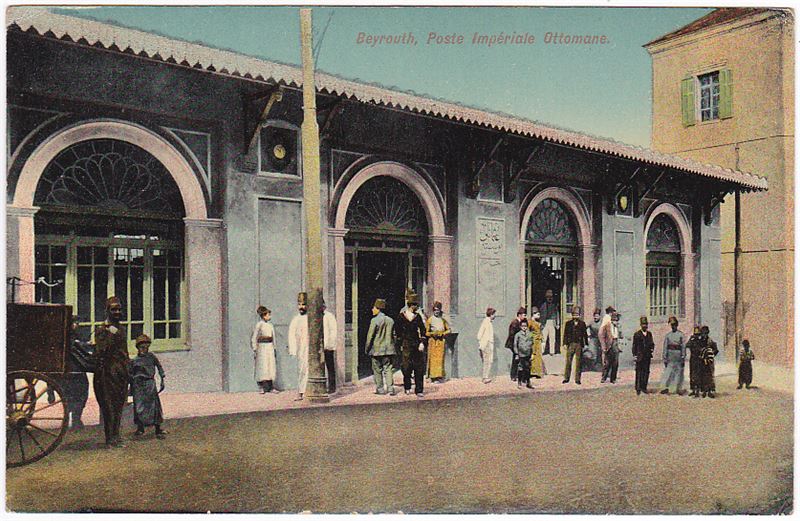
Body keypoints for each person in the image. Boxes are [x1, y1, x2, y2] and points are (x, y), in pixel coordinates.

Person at [93, 296, 130, 448]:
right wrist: (109, 334)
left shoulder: (122, 329)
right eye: (113, 309)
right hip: (107, 373)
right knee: (108, 407)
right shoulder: (102, 330)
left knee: (119, 405)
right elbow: (101, 350)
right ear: (107, 311)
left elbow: (124, 351)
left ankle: (116, 436)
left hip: (121, 372)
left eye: (119, 309)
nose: (117, 312)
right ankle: (109, 438)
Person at [129, 334, 167, 439]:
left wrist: (162, 379)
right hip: (138, 385)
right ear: (138, 347)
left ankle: (158, 428)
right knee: (139, 407)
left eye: (146, 347)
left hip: (150, 383)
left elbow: (159, 367)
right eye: (142, 347)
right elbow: (130, 374)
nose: (144, 349)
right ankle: (140, 428)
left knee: (154, 406)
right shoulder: (134, 361)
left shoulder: (151, 357)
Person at [396, 292, 427, 397]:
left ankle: (419, 390)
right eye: (415, 305)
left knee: (419, 367)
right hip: (406, 345)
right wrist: (400, 344)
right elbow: (398, 331)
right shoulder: (401, 317)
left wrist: (422, 342)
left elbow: (423, 330)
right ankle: (407, 387)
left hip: (416, 344)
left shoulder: (417, 317)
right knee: (406, 367)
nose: (416, 307)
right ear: (411, 305)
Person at [365, 298, 396, 396]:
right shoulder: (390, 320)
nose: (372, 310)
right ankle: (391, 389)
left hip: (377, 349)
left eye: (374, 308)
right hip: (389, 349)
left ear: (378, 308)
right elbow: (394, 335)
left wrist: (367, 348)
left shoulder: (374, 320)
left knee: (377, 370)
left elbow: (370, 336)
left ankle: (380, 389)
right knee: (388, 369)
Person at [288, 292, 310, 401]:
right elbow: (291, 335)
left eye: (304, 304)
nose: (301, 307)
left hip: (311, 348)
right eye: (300, 304)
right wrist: (293, 350)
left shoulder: (311, 318)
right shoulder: (295, 320)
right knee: (302, 369)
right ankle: (302, 392)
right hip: (301, 348)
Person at [251, 306, 278, 394]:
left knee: (270, 366)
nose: (269, 316)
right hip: (262, 348)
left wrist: (274, 348)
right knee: (262, 366)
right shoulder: (259, 324)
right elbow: (254, 337)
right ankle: (261, 387)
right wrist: (255, 348)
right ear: (263, 316)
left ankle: (270, 387)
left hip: (269, 347)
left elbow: (273, 337)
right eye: (268, 315)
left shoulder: (270, 325)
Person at [660, 316, 686, 395]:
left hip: (678, 355)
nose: (673, 326)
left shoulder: (681, 335)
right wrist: (664, 357)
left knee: (678, 372)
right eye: (672, 325)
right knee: (668, 372)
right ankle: (665, 388)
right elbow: (665, 347)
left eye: (674, 325)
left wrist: (683, 357)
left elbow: (683, 346)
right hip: (670, 355)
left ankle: (677, 388)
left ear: (677, 325)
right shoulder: (668, 335)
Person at [425, 301, 450, 384]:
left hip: (441, 342)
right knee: (433, 359)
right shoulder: (430, 320)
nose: (436, 311)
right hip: (433, 342)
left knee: (440, 359)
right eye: (435, 310)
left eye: (438, 310)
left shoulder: (443, 320)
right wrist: (433, 334)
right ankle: (433, 377)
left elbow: (449, 330)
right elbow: (426, 332)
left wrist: (443, 333)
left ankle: (439, 376)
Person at [562, 306, 588, 385]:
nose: (575, 316)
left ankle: (577, 379)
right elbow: (565, 334)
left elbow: (585, 335)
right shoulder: (568, 324)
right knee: (568, 361)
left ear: (579, 315)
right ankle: (566, 378)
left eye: (577, 314)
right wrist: (565, 343)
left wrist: (586, 344)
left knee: (578, 362)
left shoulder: (582, 324)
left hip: (579, 344)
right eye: (574, 314)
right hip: (571, 344)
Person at [631, 316, 655, 395]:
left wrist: (651, 349)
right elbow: (634, 346)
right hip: (639, 356)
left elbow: (652, 344)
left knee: (646, 371)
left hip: (647, 356)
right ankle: (638, 388)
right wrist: (635, 355)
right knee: (639, 372)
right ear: (641, 325)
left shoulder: (649, 334)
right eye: (643, 324)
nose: (644, 326)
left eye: (646, 324)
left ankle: (644, 387)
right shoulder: (637, 334)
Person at [505, 307, 527, 381]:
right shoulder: (515, 323)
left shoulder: (520, 322)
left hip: (517, 344)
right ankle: (513, 376)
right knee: (516, 359)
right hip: (513, 344)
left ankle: (516, 375)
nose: (525, 316)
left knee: (518, 359)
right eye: (524, 315)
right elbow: (512, 335)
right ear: (519, 315)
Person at [599, 309, 621, 383]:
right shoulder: (607, 326)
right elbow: (602, 336)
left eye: (617, 320)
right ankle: (604, 377)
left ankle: (613, 378)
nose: (615, 322)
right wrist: (604, 346)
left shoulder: (618, 327)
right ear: (611, 320)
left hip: (615, 344)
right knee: (607, 363)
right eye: (614, 320)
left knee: (615, 363)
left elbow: (620, 336)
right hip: (608, 345)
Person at [322, 301, 338, 394]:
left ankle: (332, 387)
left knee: (330, 367)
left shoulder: (329, 316)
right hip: (319, 347)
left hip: (328, 346)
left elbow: (333, 331)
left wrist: (330, 345)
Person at [513, 319, 535, 389]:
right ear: (520, 327)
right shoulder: (518, 335)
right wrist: (516, 354)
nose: (524, 327)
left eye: (525, 326)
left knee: (528, 368)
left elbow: (532, 344)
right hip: (521, 354)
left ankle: (528, 382)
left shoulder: (530, 334)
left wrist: (532, 354)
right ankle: (519, 383)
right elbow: (515, 345)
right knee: (520, 368)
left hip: (528, 354)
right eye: (522, 326)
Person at [477, 307, 496, 384]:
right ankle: (485, 377)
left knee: (489, 361)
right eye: (494, 314)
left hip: (488, 344)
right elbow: (479, 335)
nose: (495, 316)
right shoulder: (486, 322)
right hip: (486, 344)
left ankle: (486, 376)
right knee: (487, 361)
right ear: (491, 314)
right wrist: (482, 344)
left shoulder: (489, 322)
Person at [699, 325, 719, 398]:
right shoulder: (699, 341)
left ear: (707, 333)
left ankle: (710, 391)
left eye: (705, 333)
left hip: (709, 362)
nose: (704, 334)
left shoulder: (710, 341)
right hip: (702, 362)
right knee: (702, 375)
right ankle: (704, 391)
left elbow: (716, 350)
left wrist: (711, 354)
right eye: (703, 333)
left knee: (710, 376)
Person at [540, 289, 560, 355]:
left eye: (551, 297)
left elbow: (557, 314)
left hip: (552, 322)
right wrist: (541, 324)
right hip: (544, 323)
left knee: (552, 337)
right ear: (546, 298)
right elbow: (541, 315)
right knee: (543, 338)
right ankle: (542, 351)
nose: (549, 298)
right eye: (548, 297)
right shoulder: (543, 305)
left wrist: (557, 323)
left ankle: (552, 351)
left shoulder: (555, 306)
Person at [686, 326, 704, 398]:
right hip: (693, 358)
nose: (697, 336)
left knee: (698, 375)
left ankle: (697, 390)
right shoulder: (692, 340)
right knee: (692, 374)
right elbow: (687, 345)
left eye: (698, 334)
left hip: (699, 359)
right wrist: (691, 339)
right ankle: (693, 390)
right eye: (695, 334)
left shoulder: (701, 341)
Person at [529, 307, 545, 378]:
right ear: (533, 314)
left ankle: (538, 372)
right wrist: (532, 337)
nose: (539, 316)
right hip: (533, 341)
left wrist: (542, 339)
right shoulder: (530, 322)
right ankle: (532, 372)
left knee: (538, 356)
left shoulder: (538, 323)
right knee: (533, 355)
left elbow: (540, 332)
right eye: (537, 314)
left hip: (538, 341)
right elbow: (528, 331)